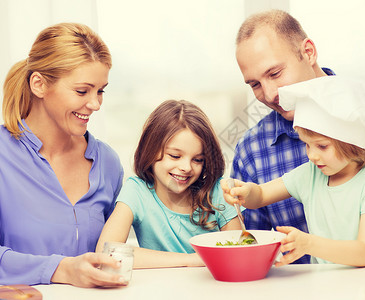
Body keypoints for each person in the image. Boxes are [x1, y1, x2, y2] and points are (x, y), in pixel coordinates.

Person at [232, 9, 365, 265]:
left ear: (309, 52)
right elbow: (246, 245)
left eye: (275, 73)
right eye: (255, 84)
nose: (269, 95)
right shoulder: (253, 149)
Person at [223, 75, 365, 266]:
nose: (312, 155)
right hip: (326, 283)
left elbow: (364, 253)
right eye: (307, 145)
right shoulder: (311, 174)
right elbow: (261, 195)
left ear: (353, 143)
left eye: (322, 146)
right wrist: (246, 192)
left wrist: (308, 243)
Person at [0, 23, 125, 287]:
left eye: (100, 91)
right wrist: (62, 269)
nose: (95, 104)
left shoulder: (108, 163)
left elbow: (112, 252)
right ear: (39, 84)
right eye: (82, 91)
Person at [96, 100, 241, 268]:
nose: (186, 167)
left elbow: (238, 254)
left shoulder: (218, 191)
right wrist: (191, 260)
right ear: (149, 150)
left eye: (198, 160)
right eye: (175, 156)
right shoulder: (137, 191)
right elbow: (106, 253)